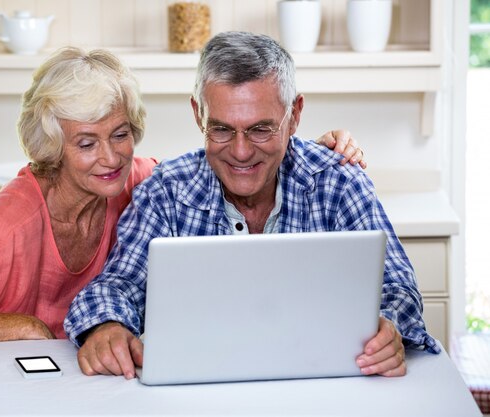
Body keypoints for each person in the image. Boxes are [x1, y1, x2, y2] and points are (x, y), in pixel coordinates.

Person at [0, 46, 363, 347]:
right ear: (53, 146)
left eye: (122, 134)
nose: (111, 157)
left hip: (83, 374)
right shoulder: (12, 227)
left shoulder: (135, 181)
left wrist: (303, 150)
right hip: (3, 372)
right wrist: (22, 329)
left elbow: (222, 162)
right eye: (87, 143)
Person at [64, 31, 439, 380]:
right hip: (201, 393)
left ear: (294, 115)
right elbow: (115, 286)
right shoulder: (166, 192)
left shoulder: (338, 182)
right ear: (198, 115)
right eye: (222, 129)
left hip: (321, 389)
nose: (241, 152)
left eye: (261, 129)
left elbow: (399, 289)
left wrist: (389, 327)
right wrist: (107, 327)